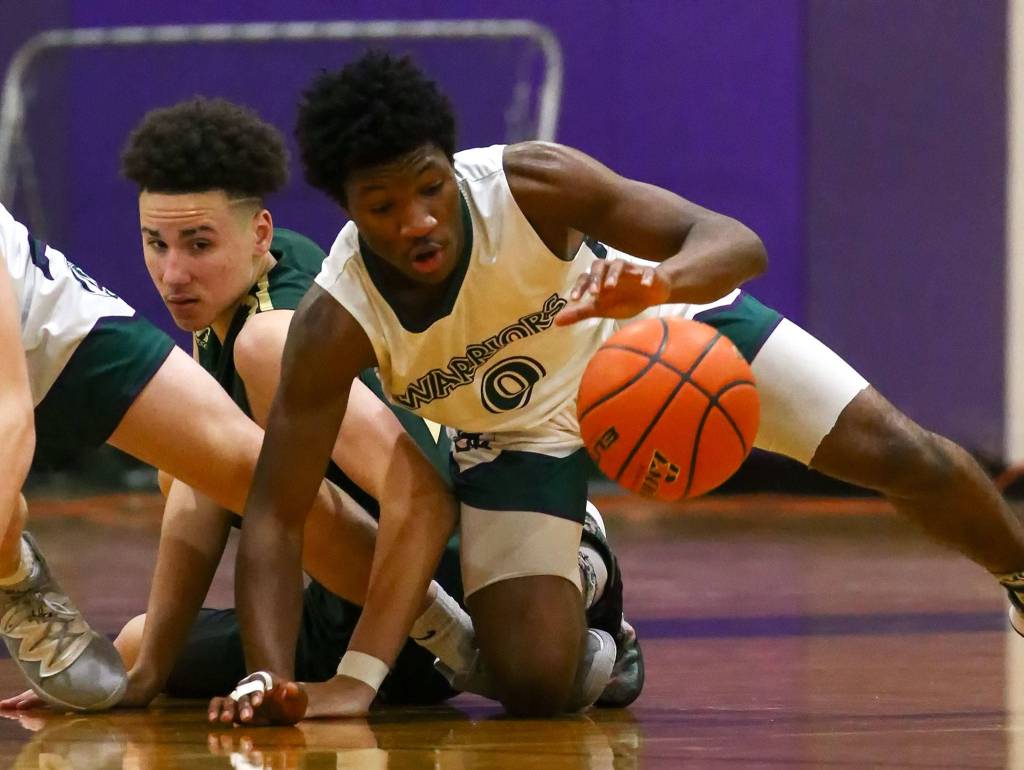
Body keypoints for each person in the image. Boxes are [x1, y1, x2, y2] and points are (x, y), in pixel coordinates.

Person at [212, 50, 1024, 721]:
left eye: (429, 187)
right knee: (533, 686)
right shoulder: (335, 320)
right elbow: (277, 514)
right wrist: (265, 674)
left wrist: (663, 284)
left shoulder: (531, 185)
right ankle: (592, 576)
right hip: (516, 431)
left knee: (897, 451)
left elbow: (733, 241)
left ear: (450, 165)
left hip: (654, 341)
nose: (416, 219)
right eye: (382, 206)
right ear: (347, 210)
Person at [2, 97, 638, 717]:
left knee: (238, 494)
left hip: (433, 583)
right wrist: (147, 675)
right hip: (359, 591)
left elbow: (420, 499)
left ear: (259, 233)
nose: (172, 273)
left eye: (198, 245)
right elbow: (200, 489)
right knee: (142, 640)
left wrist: (367, 672)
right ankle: (566, 606)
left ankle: (554, 594)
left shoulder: (267, 337)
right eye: (155, 243)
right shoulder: (256, 288)